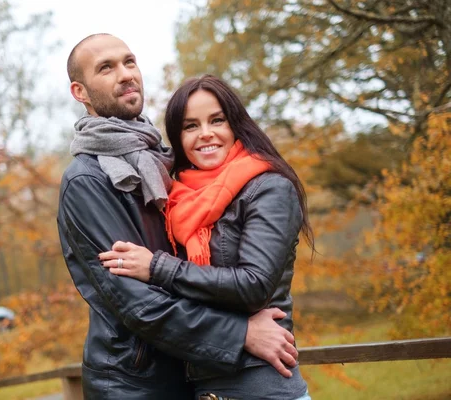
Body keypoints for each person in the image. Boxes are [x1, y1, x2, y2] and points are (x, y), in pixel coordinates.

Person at [57, 34, 299, 399]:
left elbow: (235, 272)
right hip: (134, 384)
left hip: (189, 374)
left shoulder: (164, 165)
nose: (125, 74)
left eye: (130, 61)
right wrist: (240, 333)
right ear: (81, 91)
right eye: (106, 68)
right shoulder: (88, 181)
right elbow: (136, 302)